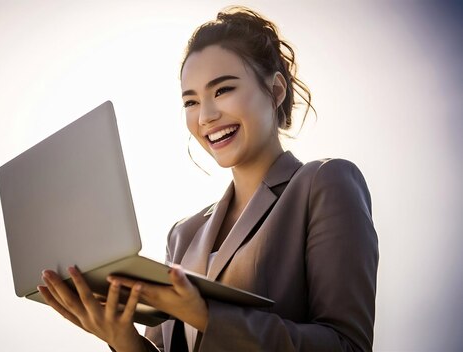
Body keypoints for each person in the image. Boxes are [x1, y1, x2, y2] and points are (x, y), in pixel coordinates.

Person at [37, 5, 378, 352]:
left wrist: (206, 315)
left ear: (276, 91)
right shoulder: (183, 235)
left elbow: (348, 345)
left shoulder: (324, 182)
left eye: (222, 90)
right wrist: (123, 339)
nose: (206, 116)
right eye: (191, 102)